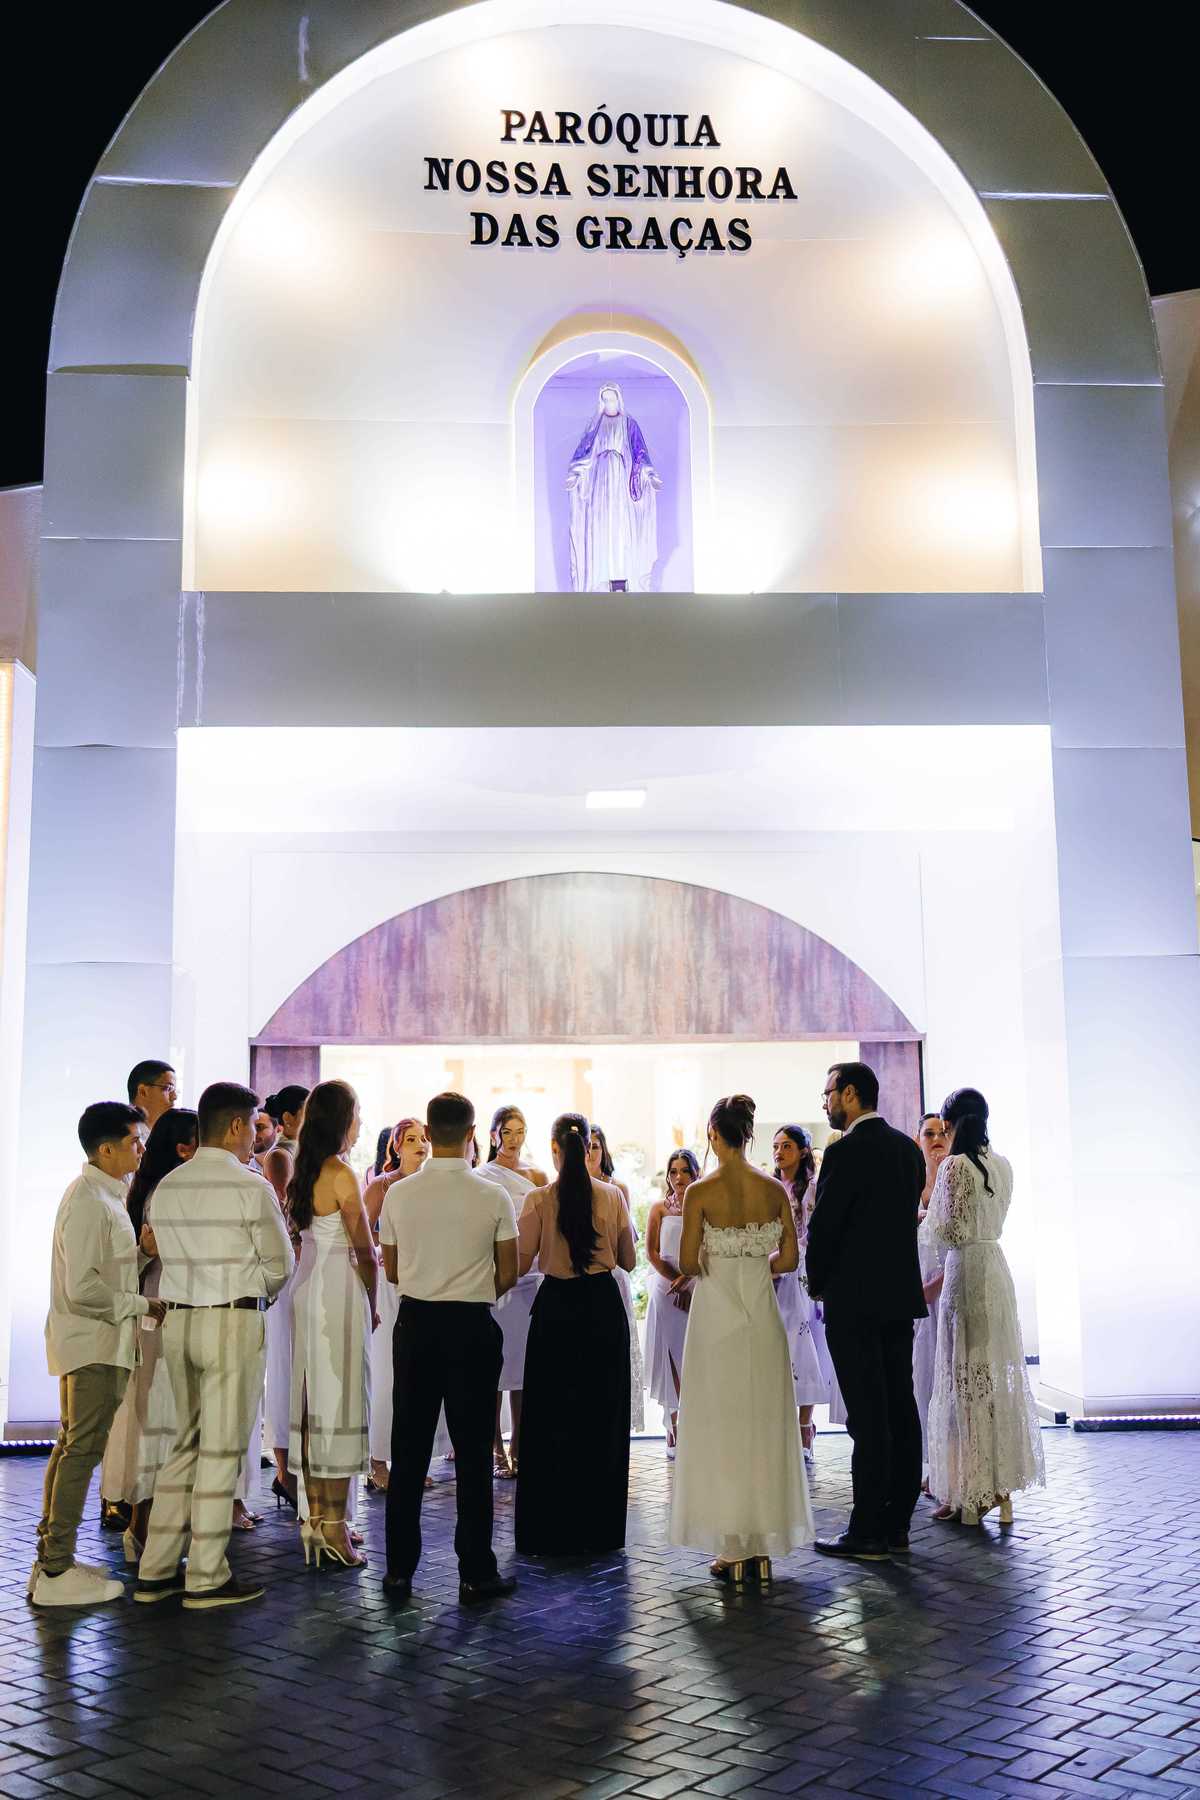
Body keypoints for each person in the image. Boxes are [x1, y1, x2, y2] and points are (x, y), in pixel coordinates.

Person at [133, 1082, 292, 1610]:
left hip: (178, 1320)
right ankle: (205, 1575)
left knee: (184, 1445)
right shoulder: (250, 1186)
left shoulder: (169, 1185)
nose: (255, 1138)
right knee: (221, 1449)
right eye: (252, 1127)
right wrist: (253, 1292)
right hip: (231, 1319)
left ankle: (156, 1569)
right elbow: (280, 1265)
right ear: (236, 1126)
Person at [381, 1092, 519, 1606]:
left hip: (416, 1324)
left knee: (409, 1451)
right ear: (472, 1133)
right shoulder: (492, 1196)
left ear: (430, 1129)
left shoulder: (399, 1194)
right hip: (471, 1326)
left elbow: (391, 1269)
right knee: (474, 1454)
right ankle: (476, 1572)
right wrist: (472, 1287)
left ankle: (399, 1571)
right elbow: (509, 1272)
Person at [669, 1097, 813, 1583]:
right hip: (761, 1315)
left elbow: (687, 1262)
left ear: (713, 1134)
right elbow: (789, 1260)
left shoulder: (700, 1191)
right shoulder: (773, 1188)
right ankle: (761, 1548)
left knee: (722, 1423)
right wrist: (755, 1263)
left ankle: (732, 1547)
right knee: (762, 1423)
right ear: (749, 1134)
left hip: (716, 1316)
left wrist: (720, 1260)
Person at [33, 1102, 163, 1607]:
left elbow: (106, 1271)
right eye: (134, 1141)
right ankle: (56, 1567)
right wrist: (143, 1303)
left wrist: (143, 1254)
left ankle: (52, 1560)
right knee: (80, 1452)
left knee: (72, 1447)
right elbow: (83, 1287)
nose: (141, 1149)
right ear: (106, 1149)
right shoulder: (89, 1198)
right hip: (93, 1344)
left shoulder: (104, 1195)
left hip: (97, 1342)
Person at [805, 1062, 926, 1561]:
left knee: (867, 1414)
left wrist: (817, 1282)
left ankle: (867, 1531)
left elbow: (825, 1226)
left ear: (850, 1093)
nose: (826, 1102)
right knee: (900, 1407)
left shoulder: (843, 1152)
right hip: (898, 1298)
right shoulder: (907, 1151)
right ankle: (898, 1524)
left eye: (828, 1093)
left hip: (853, 1302)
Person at [515, 1113, 636, 1557]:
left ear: (554, 1149)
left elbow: (521, 1263)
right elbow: (628, 1260)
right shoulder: (612, 1196)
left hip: (556, 1310)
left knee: (550, 1414)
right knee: (601, 1414)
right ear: (587, 1148)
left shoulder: (537, 1199)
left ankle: (550, 1526)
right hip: (601, 1308)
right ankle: (598, 1527)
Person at [927, 1088, 1045, 1526]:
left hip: (965, 1273)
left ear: (950, 1124)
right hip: (995, 1268)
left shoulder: (954, 1166)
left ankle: (970, 1492)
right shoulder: (1003, 1165)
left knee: (964, 1384)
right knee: (992, 1380)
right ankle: (1000, 1489)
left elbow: (946, 1232)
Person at [99, 1108, 199, 1563]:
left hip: (154, 1310)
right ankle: (146, 1532)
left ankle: (147, 1531)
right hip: (162, 1312)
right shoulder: (168, 1193)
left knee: (154, 1418)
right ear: (183, 1149)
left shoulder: (146, 1190)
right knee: (161, 1418)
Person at [287, 1079, 378, 1570]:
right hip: (338, 1289)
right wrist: (373, 1300)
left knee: (315, 1404)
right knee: (340, 1400)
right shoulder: (341, 1173)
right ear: (343, 1118)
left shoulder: (304, 1170)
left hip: (308, 1285)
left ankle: (319, 1518)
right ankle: (334, 1525)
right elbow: (365, 1249)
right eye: (357, 1111)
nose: (360, 1121)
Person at [476, 1105, 547, 1478]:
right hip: (494, 1280)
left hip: (529, 1281)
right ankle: (495, 1449)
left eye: (520, 1131)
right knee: (493, 1371)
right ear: (493, 1135)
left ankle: (519, 1445)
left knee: (523, 1370)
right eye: (507, 1132)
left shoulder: (537, 1176)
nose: (514, 1139)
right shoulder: (481, 1177)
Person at [363, 1117, 430, 1492]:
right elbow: (361, 1234)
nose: (420, 1145)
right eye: (411, 1139)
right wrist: (382, 1252)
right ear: (397, 1146)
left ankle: (409, 1458)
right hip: (388, 1286)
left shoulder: (430, 1185)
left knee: (415, 1375)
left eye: (424, 1138)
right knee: (387, 1373)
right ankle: (377, 1460)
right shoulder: (382, 1185)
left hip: (420, 1281)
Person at [566, 382, 663, 592]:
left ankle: (622, 573)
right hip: (599, 480)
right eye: (605, 399)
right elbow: (583, 454)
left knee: (620, 525)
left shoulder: (628, 424)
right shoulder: (595, 425)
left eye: (612, 398)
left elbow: (640, 454)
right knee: (600, 524)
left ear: (619, 399)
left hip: (620, 477)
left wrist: (650, 475)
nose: (609, 403)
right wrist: (575, 474)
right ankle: (599, 577)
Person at [261, 1085, 308, 1511]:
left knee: (302, 1369)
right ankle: (283, 1470)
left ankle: (299, 1467)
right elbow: (283, 1212)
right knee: (285, 1366)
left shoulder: (313, 1154)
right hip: (290, 1269)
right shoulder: (280, 1155)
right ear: (289, 1119)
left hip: (309, 1267)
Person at [772, 1126, 827, 1466]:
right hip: (772, 1270)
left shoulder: (814, 1187)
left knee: (803, 1344)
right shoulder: (769, 1186)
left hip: (802, 1270)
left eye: (787, 1146)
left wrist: (790, 1257)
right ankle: (779, 1423)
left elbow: (813, 1233)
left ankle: (805, 1424)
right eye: (776, 1146)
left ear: (803, 1151)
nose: (779, 1152)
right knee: (777, 1344)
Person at [587, 1124, 645, 1433]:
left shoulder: (618, 1188)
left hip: (613, 1272)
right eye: (586, 1146)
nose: (590, 1152)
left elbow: (627, 1240)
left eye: (596, 1146)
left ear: (604, 1151)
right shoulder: (565, 1187)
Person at [643, 1148, 698, 1456]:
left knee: (692, 1353)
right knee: (670, 1355)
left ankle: (694, 1421)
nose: (679, 1177)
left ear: (695, 1174)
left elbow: (707, 1247)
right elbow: (651, 1252)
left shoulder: (702, 1205)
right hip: (666, 1287)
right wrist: (674, 1280)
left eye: (685, 1171)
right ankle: (673, 1422)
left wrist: (688, 1279)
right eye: (674, 1171)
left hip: (696, 1283)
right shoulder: (659, 1208)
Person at [912, 1113, 950, 1489]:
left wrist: (935, 1287)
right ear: (918, 1139)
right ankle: (930, 1463)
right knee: (920, 1380)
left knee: (948, 1380)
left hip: (946, 1291)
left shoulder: (955, 1181)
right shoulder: (910, 1183)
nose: (936, 1138)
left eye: (942, 1132)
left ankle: (952, 1464)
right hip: (915, 1295)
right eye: (929, 1133)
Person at [126, 1061, 178, 1129]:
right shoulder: (118, 1130)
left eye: (175, 1090)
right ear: (143, 1091)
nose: (175, 1097)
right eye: (168, 1088)